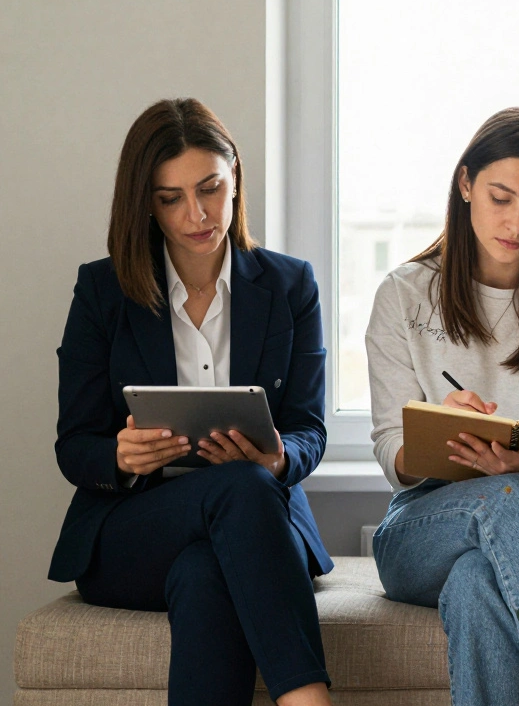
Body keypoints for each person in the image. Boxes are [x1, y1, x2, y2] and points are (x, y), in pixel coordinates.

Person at [51, 98, 333, 706]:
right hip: (133, 532)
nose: (198, 214)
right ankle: (309, 698)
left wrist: (279, 460)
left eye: (211, 188)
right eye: (170, 198)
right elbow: (74, 446)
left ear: (235, 177)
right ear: (145, 204)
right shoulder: (102, 291)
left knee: (209, 567)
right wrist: (121, 457)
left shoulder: (290, 285)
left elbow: (309, 427)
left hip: (251, 527)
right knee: (241, 487)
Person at [365, 107, 519, 706]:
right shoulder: (403, 293)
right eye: (501, 198)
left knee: (480, 577)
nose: (517, 224)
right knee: (507, 499)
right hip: (426, 520)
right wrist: (442, 432)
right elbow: (389, 454)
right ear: (465, 184)